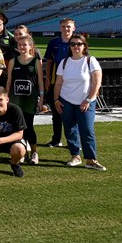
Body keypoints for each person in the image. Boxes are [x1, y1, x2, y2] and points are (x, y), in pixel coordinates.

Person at [53, 34, 106, 171]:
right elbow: (58, 83)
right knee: (70, 129)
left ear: (84, 46)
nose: (76, 46)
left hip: (86, 101)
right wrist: (56, 100)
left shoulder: (90, 60)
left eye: (79, 44)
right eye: (73, 44)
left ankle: (90, 159)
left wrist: (88, 99)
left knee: (87, 130)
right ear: (69, 47)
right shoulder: (64, 62)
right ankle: (75, 155)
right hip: (66, 100)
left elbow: (97, 83)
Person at [6, 34, 44, 164]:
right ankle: (23, 152)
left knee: (28, 127)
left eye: (25, 45)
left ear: (31, 46)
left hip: (30, 99)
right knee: (17, 127)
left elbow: (40, 82)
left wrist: (41, 99)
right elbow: (9, 81)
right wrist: (6, 96)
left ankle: (34, 152)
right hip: (15, 100)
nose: (22, 47)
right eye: (20, 45)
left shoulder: (35, 62)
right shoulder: (13, 61)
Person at [44, 17, 76, 147]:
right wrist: (47, 80)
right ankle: (56, 139)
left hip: (72, 84)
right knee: (56, 114)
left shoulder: (78, 42)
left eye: (68, 26)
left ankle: (73, 142)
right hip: (55, 82)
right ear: (60, 28)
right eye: (63, 26)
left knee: (72, 115)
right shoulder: (53, 42)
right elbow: (49, 62)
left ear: (74, 28)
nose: (66, 29)